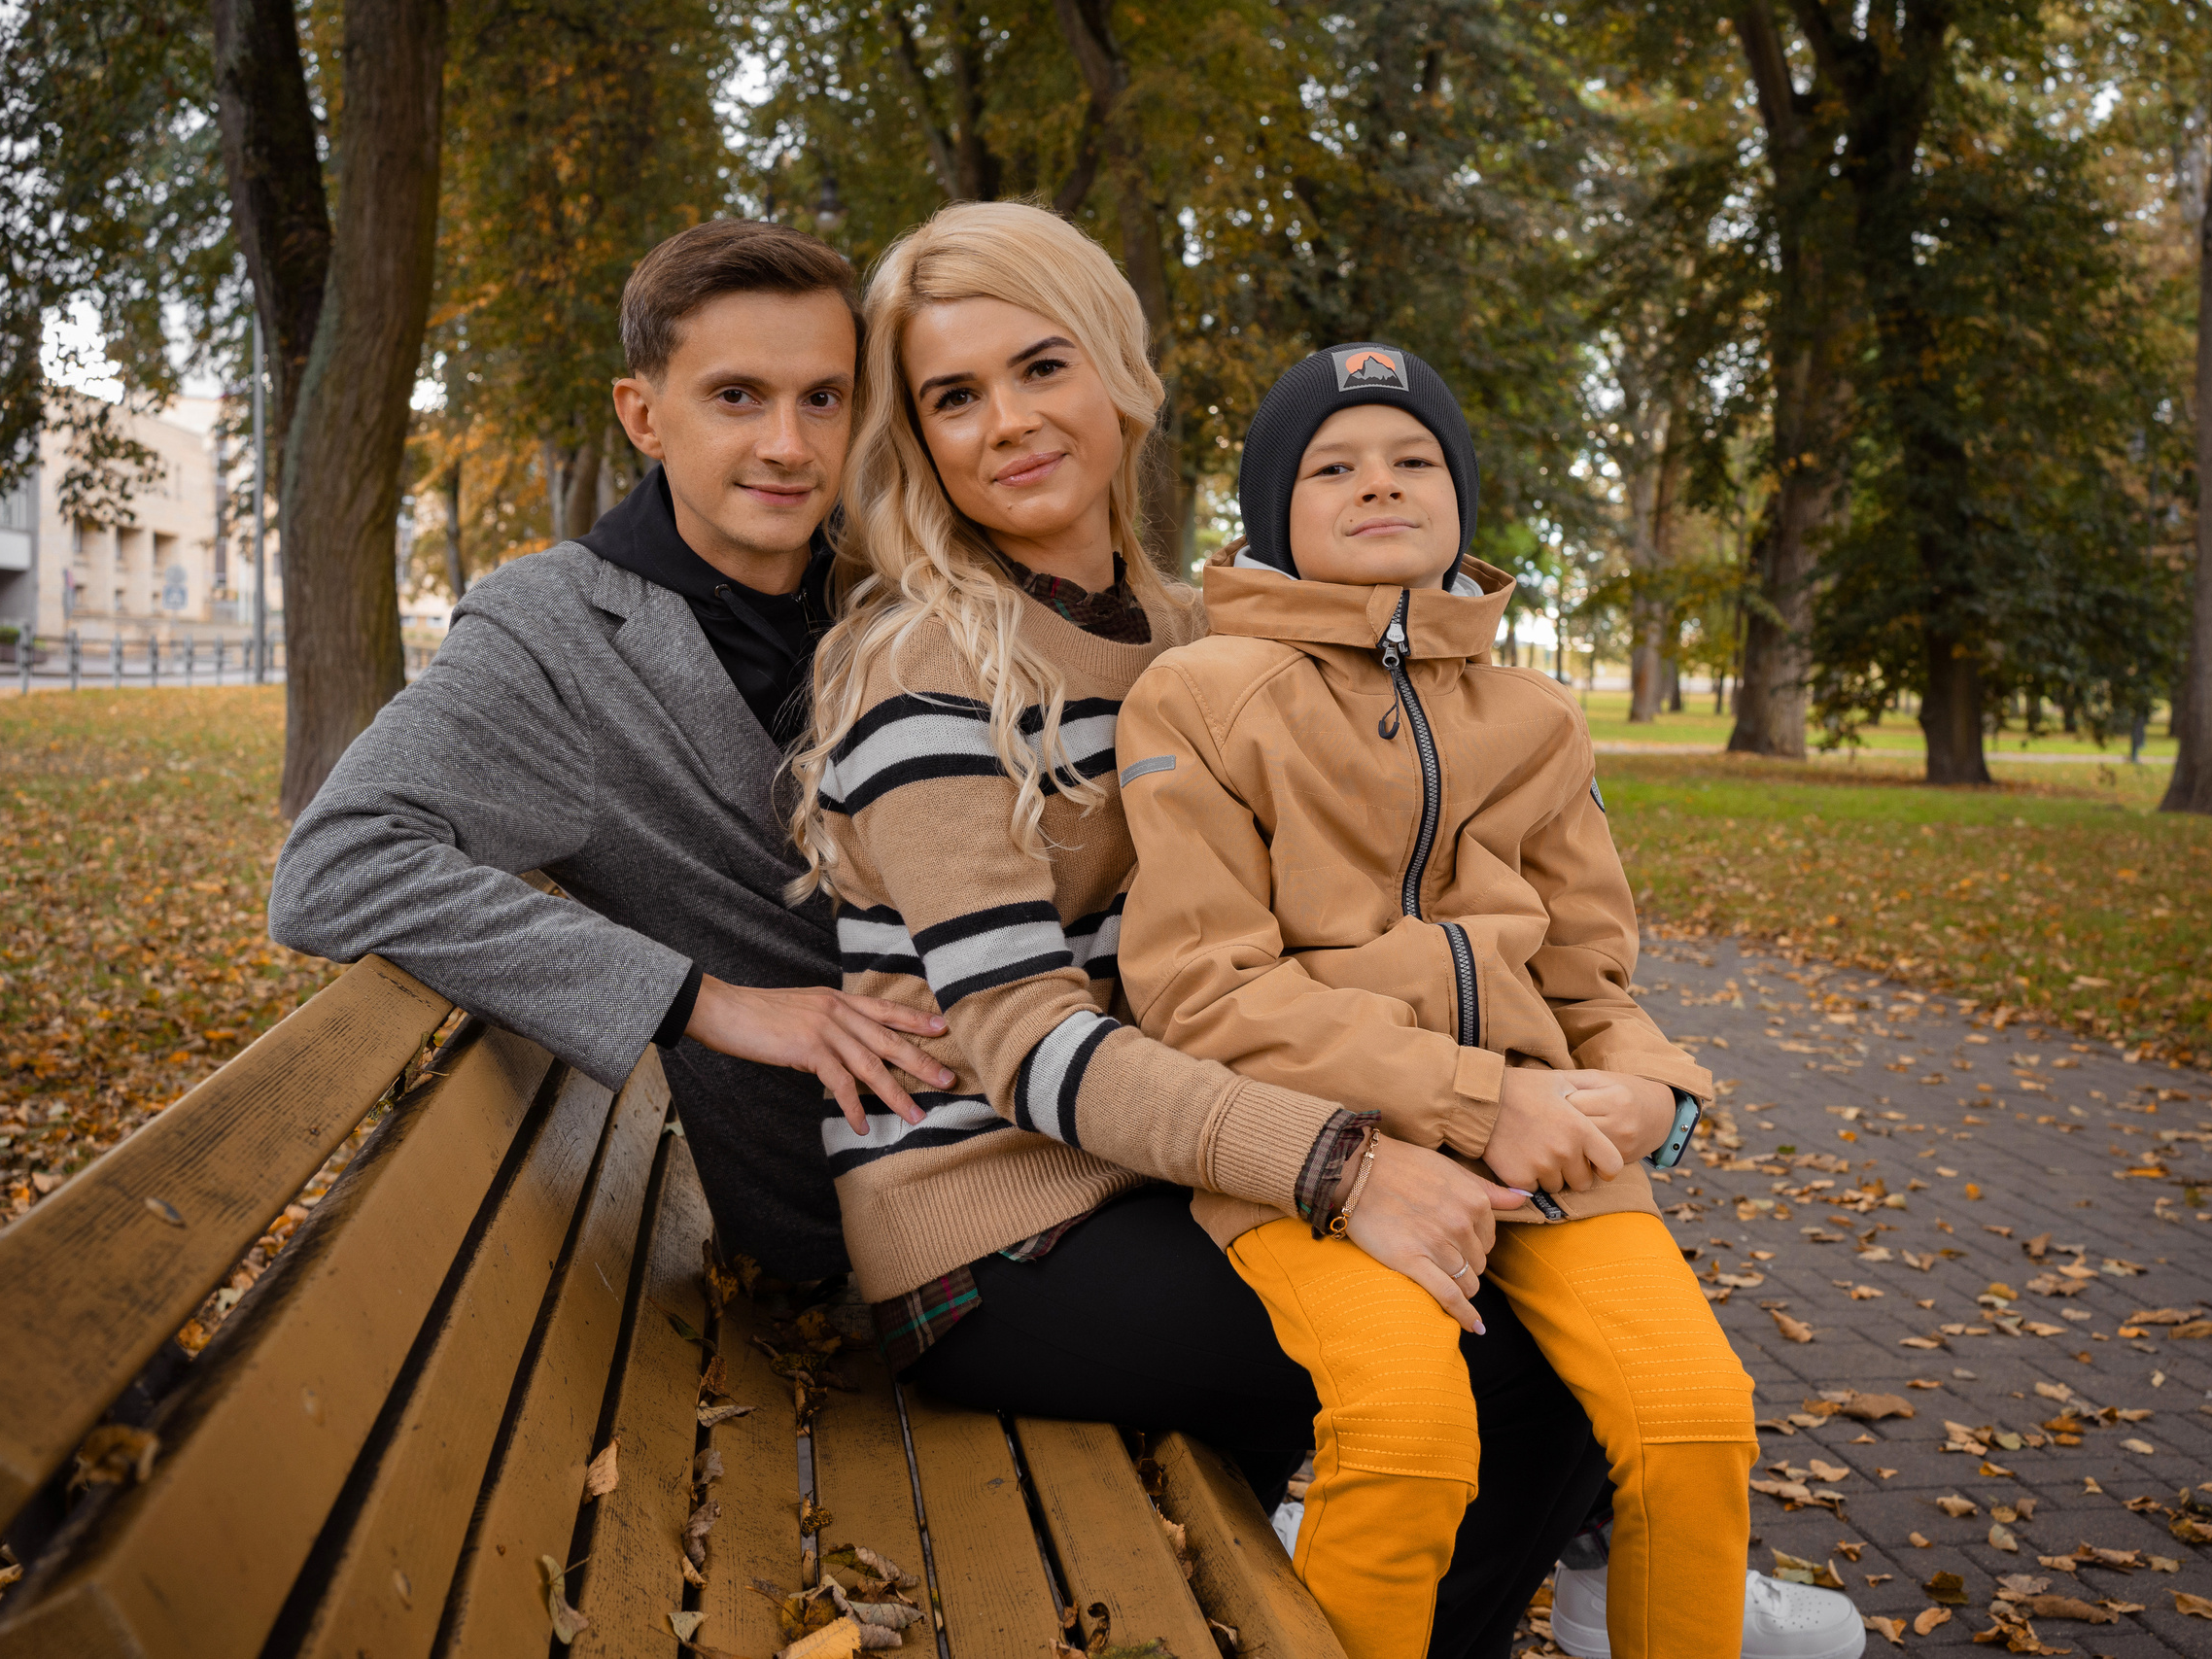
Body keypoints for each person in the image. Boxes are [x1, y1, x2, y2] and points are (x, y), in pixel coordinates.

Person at [785, 200, 1610, 1659]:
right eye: (952, 398)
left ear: (1120, 375)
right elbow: (1023, 1041)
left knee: (1580, 1342)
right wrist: (1343, 1162)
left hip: (1173, 1168)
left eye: (1042, 368)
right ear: (918, 440)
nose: (1008, 424)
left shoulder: (1196, 640)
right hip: (1001, 1226)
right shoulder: (923, 667)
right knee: (1513, 1388)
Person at [1112, 343, 1867, 1659]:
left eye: (1414, 460)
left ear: (1461, 498)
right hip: (1324, 1150)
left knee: (1694, 1412)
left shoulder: (1537, 718)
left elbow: (1588, 975)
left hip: (1551, 1158)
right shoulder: (1202, 694)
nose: (1378, 483)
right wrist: (1476, 1095)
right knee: (1406, 1432)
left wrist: (1658, 1087)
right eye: (1332, 465)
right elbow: (1197, 987)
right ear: (1269, 516)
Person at [270, 221, 955, 1278]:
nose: (788, 443)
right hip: (873, 1221)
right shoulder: (554, 635)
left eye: (823, 396)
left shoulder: (900, 591)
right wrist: (706, 1004)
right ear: (644, 414)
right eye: (737, 396)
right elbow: (335, 867)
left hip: (1072, 1121)